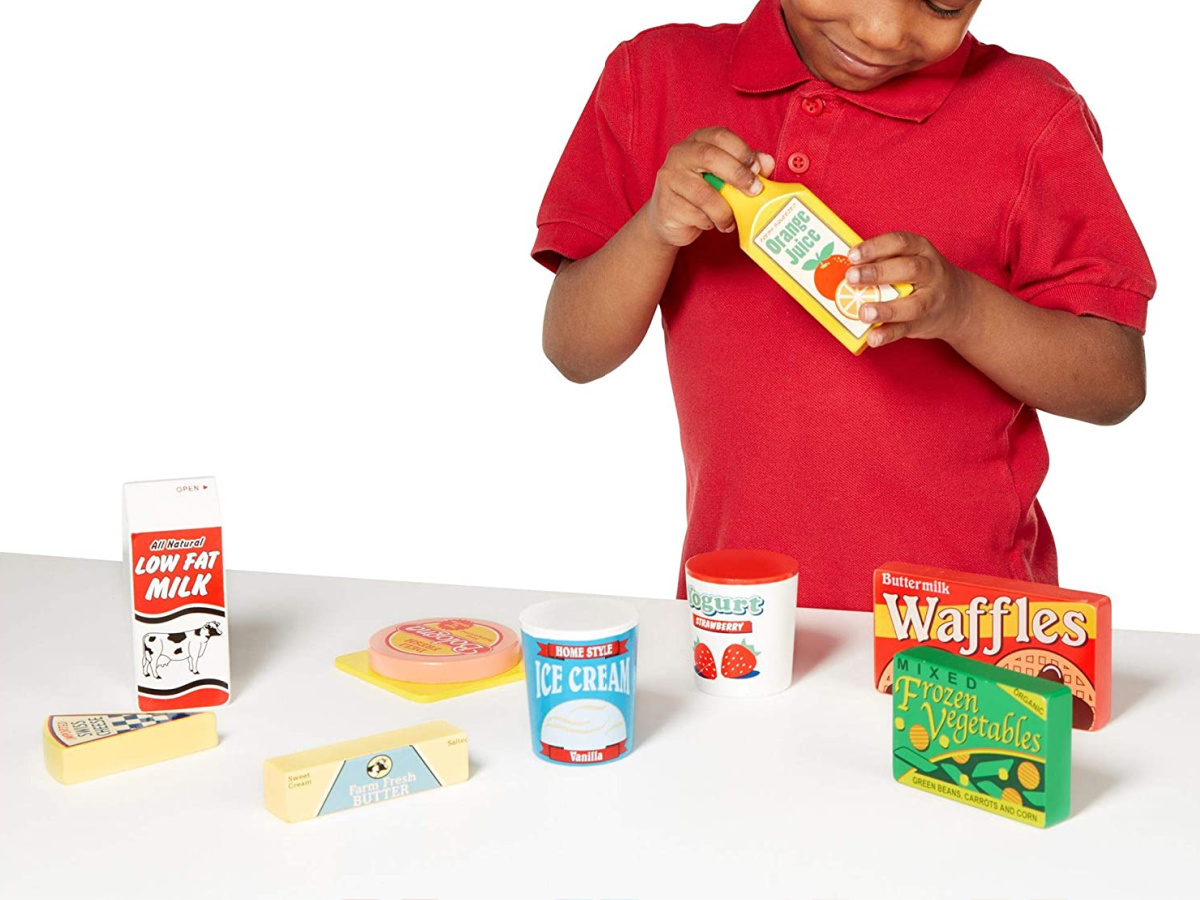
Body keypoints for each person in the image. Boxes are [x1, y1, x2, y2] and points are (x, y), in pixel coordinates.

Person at [530, 0, 1155, 610]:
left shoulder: (1031, 115)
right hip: (739, 613)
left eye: (943, 4)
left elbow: (1116, 383)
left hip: (966, 622)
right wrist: (655, 228)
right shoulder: (654, 78)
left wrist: (964, 309)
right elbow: (573, 350)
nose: (883, 31)